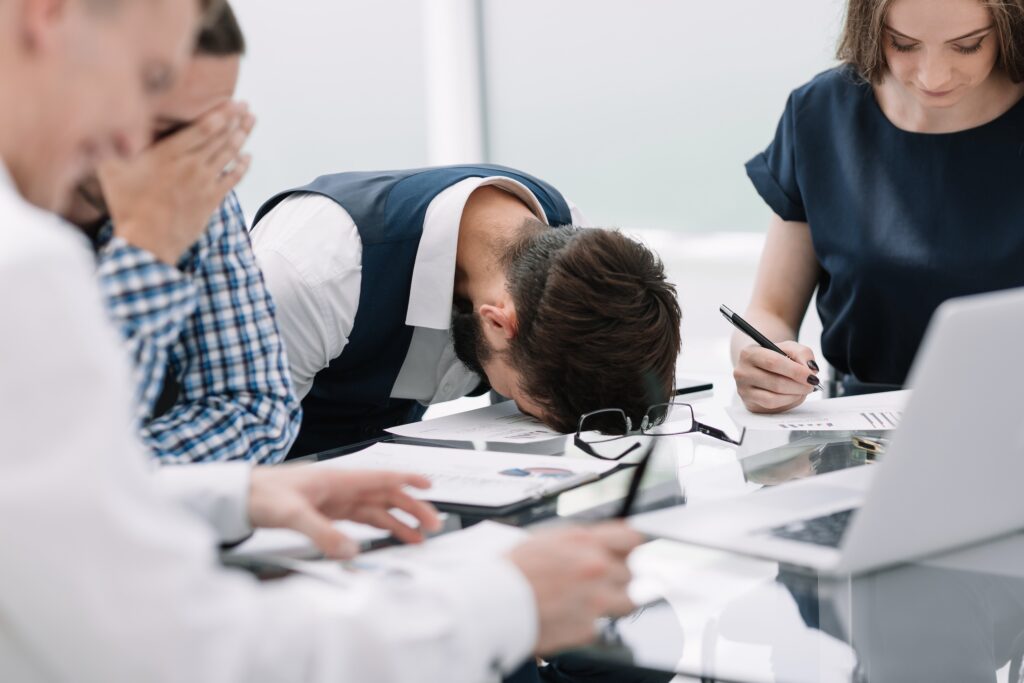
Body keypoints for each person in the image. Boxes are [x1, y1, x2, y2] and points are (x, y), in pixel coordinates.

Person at [0, 0, 644, 680]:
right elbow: (172, 648)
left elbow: (239, 413)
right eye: (150, 83)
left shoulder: (182, 182)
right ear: (48, 18)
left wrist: (231, 494)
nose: (136, 145)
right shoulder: (36, 263)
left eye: (214, 127)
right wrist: (501, 600)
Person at [251, 166, 682, 457]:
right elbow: (229, 465)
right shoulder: (311, 272)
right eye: (522, 404)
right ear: (497, 322)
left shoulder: (567, 246)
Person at [732, 0, 1024, 413]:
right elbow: (770, 310)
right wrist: (763, 364)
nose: (932, 76)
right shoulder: (819, 114)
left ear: (1009, 25)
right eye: (903, 44)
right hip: (858, 432)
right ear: (870, 25)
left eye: (967, 46)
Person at [63, 1, 301, 464]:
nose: (184, 162)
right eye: (165, 128)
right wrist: (148, 243)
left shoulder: (195, 182)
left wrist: (121, 478)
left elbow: (256, 409)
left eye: (210, 132)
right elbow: (47, 449)